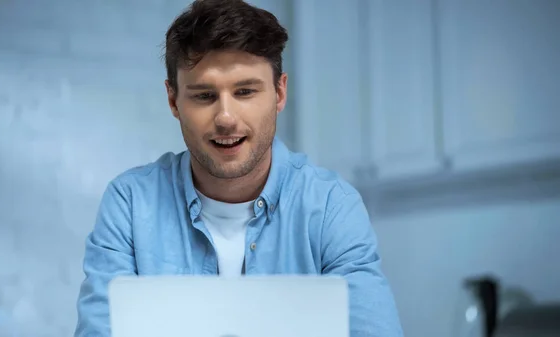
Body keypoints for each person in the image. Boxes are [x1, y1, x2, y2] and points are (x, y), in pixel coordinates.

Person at [75, 0, 403, 336]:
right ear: (173, 101)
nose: (226, 118)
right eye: (204, 96)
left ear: (279, 92)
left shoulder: (332, 206)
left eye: (245, 91)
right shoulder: (130, 204)